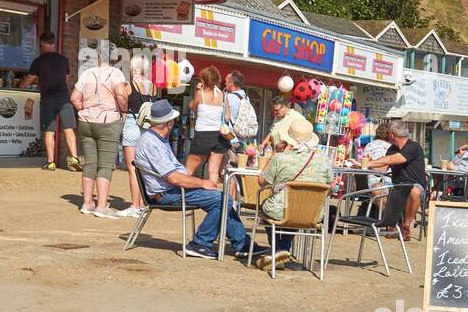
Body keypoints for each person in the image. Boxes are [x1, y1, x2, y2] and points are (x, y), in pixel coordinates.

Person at [134, 99, 264, 259]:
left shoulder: (156, 139)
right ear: (168, 123)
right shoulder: (152, 143)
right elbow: (174, 178)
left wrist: (199, 183)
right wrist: (203, 182)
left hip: (170, 189)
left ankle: (242, 243)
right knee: (222, 200)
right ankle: (200, 243)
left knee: (223, 199)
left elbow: (175, 175)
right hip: (168, 193)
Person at [255, 116, 332, 272]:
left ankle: (278, 249)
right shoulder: (324, 160)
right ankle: (282, 250)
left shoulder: (280, 158)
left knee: (272, 208)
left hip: (281, 208)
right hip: (313, 213)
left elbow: (262, 182)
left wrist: (274, 154)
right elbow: (331, 184)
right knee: (297, 210)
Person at [70, 42, 128, 219]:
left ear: (100, 56)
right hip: (108, 122)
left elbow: (74, 97)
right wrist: (123, 110)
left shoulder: (87, 73)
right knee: (105, 165)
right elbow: (120, 94)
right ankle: (102, 206)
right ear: (114, 58)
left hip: (87, 122)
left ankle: (87, 203)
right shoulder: (115, 73)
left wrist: (84, 110)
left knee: (90, 163)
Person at [20, 32, 81, 172]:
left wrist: (20, 84)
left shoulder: (38, 61)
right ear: (53, 43)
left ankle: (51, 162)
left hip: (48, 99)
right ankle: (75, 160)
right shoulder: (64, 60)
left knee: (49, 131)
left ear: (42, 44)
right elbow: (66, 80)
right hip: (64, 98)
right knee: (69, 129)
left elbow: (27, 81)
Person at [365, 120, 427, 240]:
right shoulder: (392, 148)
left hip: (415, 185)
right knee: (376, 188)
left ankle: (406, 226)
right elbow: (383, 169)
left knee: (414, 191)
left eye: (388, 133)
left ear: (393, 134)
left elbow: (395, 159)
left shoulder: (413, 146)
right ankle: (393, 220)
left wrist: (370, 162)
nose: (387, 135)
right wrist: (364, 164)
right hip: (397, 186)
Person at [117, 53, 157, 218]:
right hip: (148, 127)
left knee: (132, 168)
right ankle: (142, 203)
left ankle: (135, 205)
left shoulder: (129, 85)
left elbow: (122, 102)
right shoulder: (153, 86)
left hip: (133, 123)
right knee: (144, 168)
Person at [186, 66, 228, 181]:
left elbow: (192, 107)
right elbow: (227, 116)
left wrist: (197, 90)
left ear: (204, 80)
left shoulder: (200, 94)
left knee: (189, 170)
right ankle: (211, 195)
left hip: (202, 135)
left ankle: (181, 195)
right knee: (213, 172)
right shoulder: (223, 96)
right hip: (219, 137)